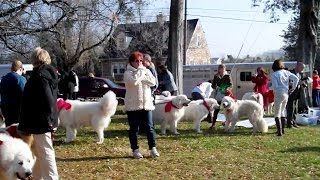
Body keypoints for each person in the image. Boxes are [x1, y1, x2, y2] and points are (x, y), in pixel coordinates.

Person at [18, 47, 59, 179]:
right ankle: (38, 177)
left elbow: (47, 101)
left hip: (41, 121)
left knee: (46, 153)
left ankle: (52, 178)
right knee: (40, 153)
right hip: (44, 120)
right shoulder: (46, 75)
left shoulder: (39, 77)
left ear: (35, 59)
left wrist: (49, 121)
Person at [123, 51, 159, 159]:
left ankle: (152, 148)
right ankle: (135, 150)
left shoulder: (146, 70)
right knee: (134, 128)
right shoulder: (127, 73)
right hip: (133, 105)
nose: (139, 63)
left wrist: (142, 74)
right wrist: (142, 73)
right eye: (136, 61)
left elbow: (153, 82)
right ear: (131, 62)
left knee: (150, 127)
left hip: (146, 104)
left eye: (140, 61)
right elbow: (133, 81)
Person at [271, 59, 299, 136]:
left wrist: (270, 88)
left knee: (277, 113)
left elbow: (275, 86)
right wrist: (292, 88)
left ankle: (279, 132)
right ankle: (282, 130)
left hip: (278, 93)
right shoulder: (286, 72)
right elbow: (296, 78)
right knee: (283, 111)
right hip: (286, 93)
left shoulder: (274, 74)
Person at [0, 60, 27, 127]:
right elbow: (25, 94)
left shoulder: (4, 79)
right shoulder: (21, 79)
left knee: (9, 129)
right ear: (20, 69)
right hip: (18, 110)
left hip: (6, 110)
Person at [211, 64, 232, 129]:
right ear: (219, 70)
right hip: (219, 94)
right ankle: (213, 124)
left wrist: (227, 88)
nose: (222, 71)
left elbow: (231, 85)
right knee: (216, 109)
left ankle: (228, 122)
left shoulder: (227, 76)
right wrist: (216, 87)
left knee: (228, 109)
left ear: (225, 69)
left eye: (223, 70)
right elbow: (213, 85)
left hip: (226, 95)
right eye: (221, 70)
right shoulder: (216, 76)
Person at [286, 62, 306, 128]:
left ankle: (294, 122)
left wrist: (302, 84)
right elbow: (288, 82)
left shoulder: (299, 74)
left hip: (297, 93)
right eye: (301, 68)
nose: (302, 69)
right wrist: (297, 83)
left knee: (295, 109)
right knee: (290, 108)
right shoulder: (290, 72)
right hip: (291, 93)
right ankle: (289, 123)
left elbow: (298, 82)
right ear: (297, 66)